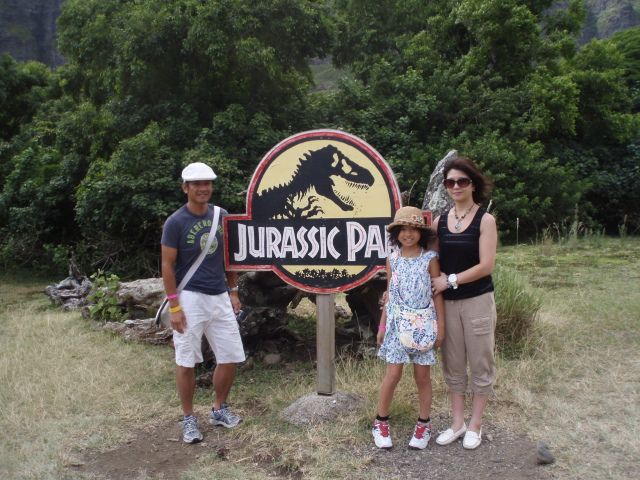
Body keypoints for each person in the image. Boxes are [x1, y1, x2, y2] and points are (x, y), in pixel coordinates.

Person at [161, 162, 246, 444]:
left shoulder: (222, 216)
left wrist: (233, 290)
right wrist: (174, 306)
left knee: (230, 356)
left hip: (219, 295)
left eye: (207, 183)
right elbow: (167, 265)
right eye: (196, 184)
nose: (203, 188)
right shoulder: (175, 222)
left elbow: (230, 257)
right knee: (186, 360)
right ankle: (188, 418)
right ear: (185, 187)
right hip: (189, 297)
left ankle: (219, 408)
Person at [431, 156, 497, 450]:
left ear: (473, 184)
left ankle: (475, 424)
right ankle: (457, 423)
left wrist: (452, 280)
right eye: (450, 182)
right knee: (453, 363)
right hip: (448, 304)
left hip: (477, 301)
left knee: (481, 361)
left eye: (462, 181)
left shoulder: (485, 220)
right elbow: (431, 263)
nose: (456, 186)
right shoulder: (439, 222)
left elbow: (486, 266)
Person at [372, 206, 445, 450]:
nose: (408, 234)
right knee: (393, 374)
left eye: (413, 229)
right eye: (403, 229)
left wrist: (441, 326)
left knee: (422, 377)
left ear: (421, 233)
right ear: (396, 233)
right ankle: (380, 421)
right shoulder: (392, 259)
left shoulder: (429, 259)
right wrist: (382, 325)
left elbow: (437, 295)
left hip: (423, 326)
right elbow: (390, 294)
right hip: (395, 326)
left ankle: (424, 424)